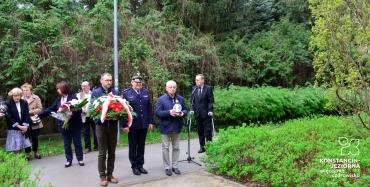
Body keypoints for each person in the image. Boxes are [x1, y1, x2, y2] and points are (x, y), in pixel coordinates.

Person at [37, 81, 84, 167]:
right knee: (66, 144)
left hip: (74, 124)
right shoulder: (59, 99)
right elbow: (51, 109)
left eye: (58, 89)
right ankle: (69, 160)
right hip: (63, 125)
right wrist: (39, 115)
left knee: (77, 142)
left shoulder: (73, 97)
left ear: (63, 89)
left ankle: (80, 159)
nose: (57, 90)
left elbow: (79, 109)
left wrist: (72, 112)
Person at [121, 73, 155, 176]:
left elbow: (149, 108)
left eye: (140, 82)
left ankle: (140, 165)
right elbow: (123, 111)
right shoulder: (126, 93)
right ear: (132, 82)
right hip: (132, 125)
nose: (138, 84)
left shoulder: (145, 92)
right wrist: (125, 125)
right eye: (136, 82)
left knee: (141, 146)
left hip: (143, 124)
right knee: (133, 146)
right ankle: (134, 166)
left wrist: (151, 122)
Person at [91, 73, 119, 186]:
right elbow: (92, 109)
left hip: (112, 126)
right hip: (101, 127)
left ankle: (110, 175)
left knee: (112, 152)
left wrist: (116, 115)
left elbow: (119, 106)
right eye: (107, 80)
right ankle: (102, 177)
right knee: (102, 153)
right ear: (101, 80)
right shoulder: (96, 93)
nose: (109, 82)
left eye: (110, 80)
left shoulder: (115, 92)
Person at [156, 80, 187, 176]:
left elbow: (185, 109)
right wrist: (169, 112)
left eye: (174, 87)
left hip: (177, 127)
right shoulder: (161, 99)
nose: (172, 89)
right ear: (166, 88)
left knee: (176, 148)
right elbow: (158, 113)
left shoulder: (181, 99)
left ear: (176, 88)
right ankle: (167, 167)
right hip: (165, 128)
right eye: (170, 87)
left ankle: (175, 166)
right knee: (165, 148)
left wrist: (183, 113)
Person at [4, 88, 32, 160]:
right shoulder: (8, 103)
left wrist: (25, 126)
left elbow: (27, 115)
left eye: (19, 95)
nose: (17, 97)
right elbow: (9, 117)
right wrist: (18, 126)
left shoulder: (24, 102)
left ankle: (20, 160)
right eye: (15, 96)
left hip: (23, 128)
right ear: (12, 96)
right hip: (13, 128)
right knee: (15, 147)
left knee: (21, 146)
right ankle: (17, 161)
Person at [190, 74, 214, 153]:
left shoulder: (208, 88)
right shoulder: (194, 89)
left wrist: (210, 110)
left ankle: (210, 147)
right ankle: (202, 147)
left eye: (198, 80)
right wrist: (191, 109)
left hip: (206, 114)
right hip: (197, 114)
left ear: (202, 80)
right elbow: (192, 101)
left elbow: (211, 101)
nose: (196, 81)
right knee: (200, 131)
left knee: (207, 131)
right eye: (195, 80)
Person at [21, 83, 43, 159]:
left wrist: (30, 112)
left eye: (27, 90)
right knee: (26, 138)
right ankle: (28, 154)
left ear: (30, 90)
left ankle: (35, 152)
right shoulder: (20, 98)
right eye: (23, 90)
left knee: (35, 138)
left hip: (34, 120)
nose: (25, 92)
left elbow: (40, 109)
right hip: (25, 121)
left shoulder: (36, 98)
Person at [77, 81, 97, 154]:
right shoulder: (79, 95)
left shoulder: (93, 94)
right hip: (84, 116)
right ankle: (87, 147)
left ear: (89, 86)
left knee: (96, 131)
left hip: (93, 115)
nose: (84, 87)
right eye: (82, 86)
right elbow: (76, 104)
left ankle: (96, 146)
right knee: (85, 132)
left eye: (85, 86)